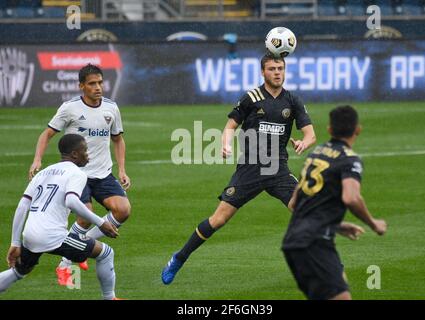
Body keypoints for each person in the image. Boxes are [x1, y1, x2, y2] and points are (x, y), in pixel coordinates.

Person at [161, 54, 317, 285]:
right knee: (218, 219)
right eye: (272, 68)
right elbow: (230, 125)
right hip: (249, 170)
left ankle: (326, 261)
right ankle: (179, 258)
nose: (277, 72)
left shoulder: (292, 100)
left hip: (278, 170)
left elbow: (311, 133)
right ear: (263, 72)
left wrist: (305, 142)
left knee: (304, 210)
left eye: (281, 68)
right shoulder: (251, 98)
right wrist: (225, 143)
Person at [28, 64, 131, 286]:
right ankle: (66, 262)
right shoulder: (70, 108)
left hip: (103, 173)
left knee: (123, 210)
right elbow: (47, 134)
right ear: (81, 86)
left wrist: (121, 169)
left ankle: (77, 246)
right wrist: (37, 159)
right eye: (92, 83)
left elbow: (118, 139)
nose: (98, 87)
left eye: (100, 83)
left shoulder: (111, 108)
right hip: (77, 173)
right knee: (85, 216)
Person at [282, 105, 387, 300]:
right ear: (358, 129)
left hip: (293, 242)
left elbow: (296, 202)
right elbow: (351, 197)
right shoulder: (349, 160)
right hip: (314, 243)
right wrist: (374, 224)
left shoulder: (317, 153)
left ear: (330, 129)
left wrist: (335, 225)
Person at [0, 134, 121, 300]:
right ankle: (109, 298)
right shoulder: (77, 173)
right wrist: (101, 223)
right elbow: (71, 201)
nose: (88, 154)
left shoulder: (42, 173)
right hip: (52, 236)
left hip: (30, 234)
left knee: (19, 271)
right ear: (74, 154)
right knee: (106, 253)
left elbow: (22, 206)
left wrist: (15, 242)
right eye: (85, 150)